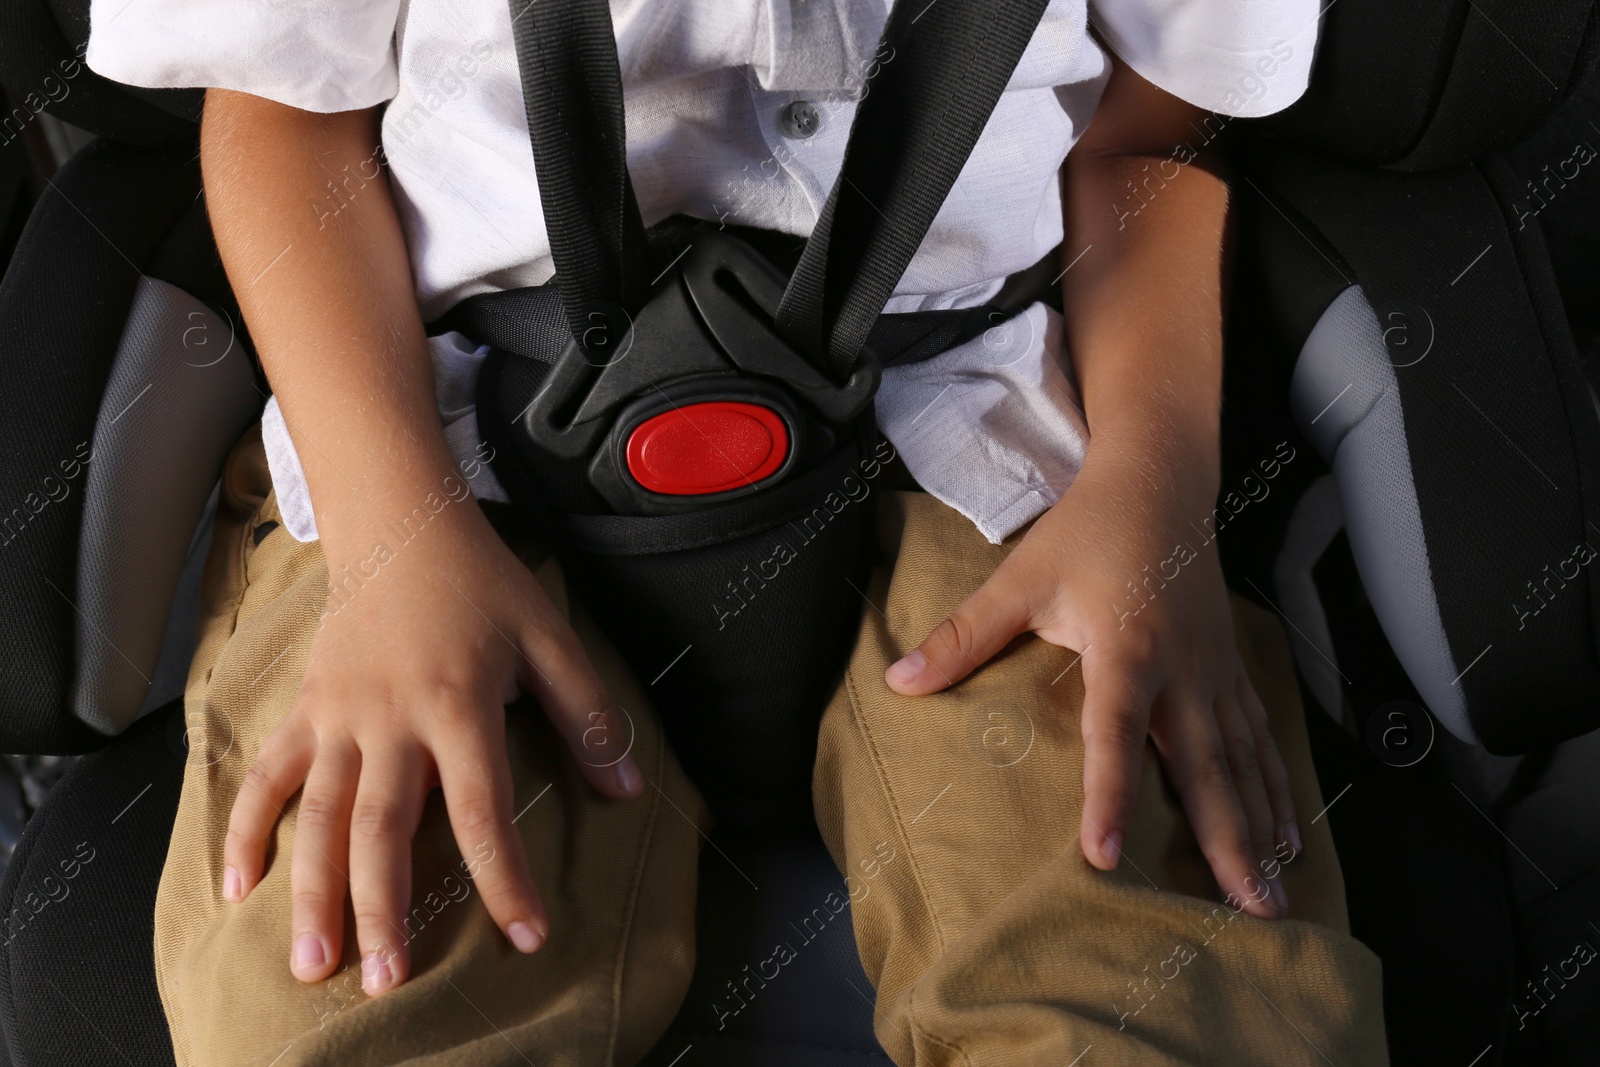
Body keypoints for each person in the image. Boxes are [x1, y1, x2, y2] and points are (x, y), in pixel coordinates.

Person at [86, 1, 1389, 1063]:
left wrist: (1152, 503)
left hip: (979, 421)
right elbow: (276, 119)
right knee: (359, 977)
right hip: (433, 442)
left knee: (1138, 970)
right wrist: (386, 545)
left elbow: (1147, 143)